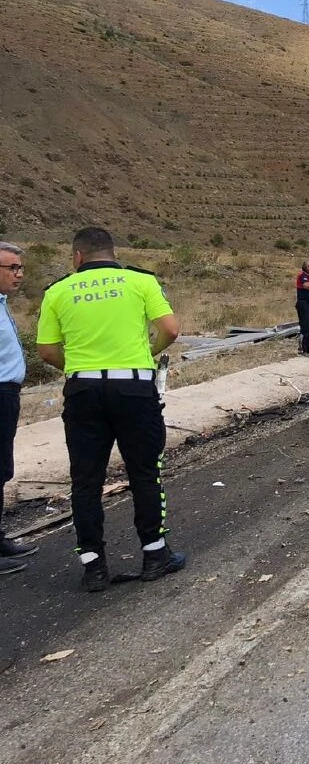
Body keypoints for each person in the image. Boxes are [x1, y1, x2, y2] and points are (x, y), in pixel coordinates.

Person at [35, 227, 185, 591]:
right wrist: (147, 354)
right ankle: (155, 555)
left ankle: (94, 567)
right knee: (145, 472)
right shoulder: (140, 282)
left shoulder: (58, 291)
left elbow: (47, 350)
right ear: (113, 253)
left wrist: (77, 369)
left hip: (83, 389)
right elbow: (170, 330)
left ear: (77, 257)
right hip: (133, 387)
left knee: (86, 479)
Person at [1, 242, 37, 575]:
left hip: (8, 394)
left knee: (2, 469)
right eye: (12, 268)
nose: (19, 274)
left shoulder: (2, 304)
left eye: (20, 267)